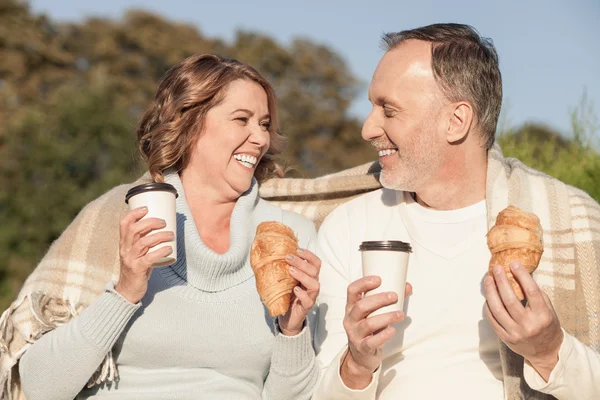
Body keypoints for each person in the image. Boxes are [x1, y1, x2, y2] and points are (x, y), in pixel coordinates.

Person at [0, 54, 321, 400]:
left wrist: (292, 331)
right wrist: (125, 292)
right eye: (241, 119)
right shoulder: (119, 214)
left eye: (264, 124)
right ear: (190, 122)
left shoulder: (291, 235)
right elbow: (41, 386)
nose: (259, 139)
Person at [312, 23, 600, 399]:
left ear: (456, 121)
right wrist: (356, 364)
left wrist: (550, 351)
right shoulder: (349, 227)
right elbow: (318, 392)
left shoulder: (570, 223)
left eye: (388, 110)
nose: (368, 128)